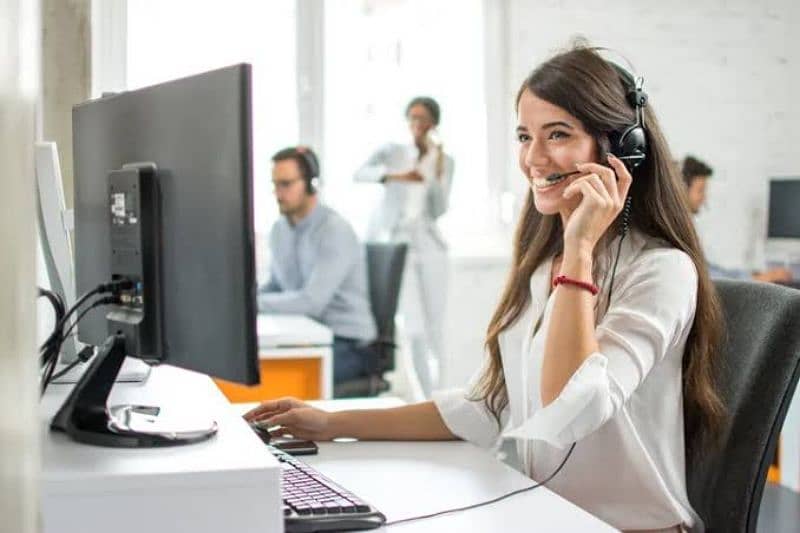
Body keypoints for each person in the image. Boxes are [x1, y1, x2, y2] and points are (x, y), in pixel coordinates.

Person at [247, 47, 726, 531]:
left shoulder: (662, 271)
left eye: (557, 134)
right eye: (524, 136)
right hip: (550, 516)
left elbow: (573, 408)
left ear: (621, 150)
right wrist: (331, 424)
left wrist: (580, 245)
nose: (533, 159)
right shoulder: (544, 267)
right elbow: (487, 406)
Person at [354, 96, 455, 396]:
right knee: (413, 328)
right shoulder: (393, 152)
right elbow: (359, 173)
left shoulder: (443, 160)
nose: (416, 124)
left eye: (422, 118)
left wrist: (434, 170)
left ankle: (442, 395)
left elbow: (439, 209)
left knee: (436, 326)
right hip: (397, 243)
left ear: (433, 124)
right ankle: (424, 397)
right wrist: (397, 175)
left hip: (430, 245)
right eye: (411, 117)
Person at [258, 146, 377, 391]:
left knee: (274, 381)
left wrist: (249, 304)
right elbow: (277, 286)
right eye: (275, 185)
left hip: (349, 343)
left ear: (311, 183)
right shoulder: (279, 230)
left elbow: (311, 302)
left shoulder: (334, 230)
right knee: (257, 368)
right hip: (308, 335)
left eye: (286, 184)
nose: (278, 193)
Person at [681, 155, 793, 283]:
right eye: (700, 191)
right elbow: (710, 279)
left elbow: (711, 270)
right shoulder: (679, 232)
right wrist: (761, 279)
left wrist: (753, 276)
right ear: (682, 190)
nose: (704, 198)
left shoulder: (687, 227)